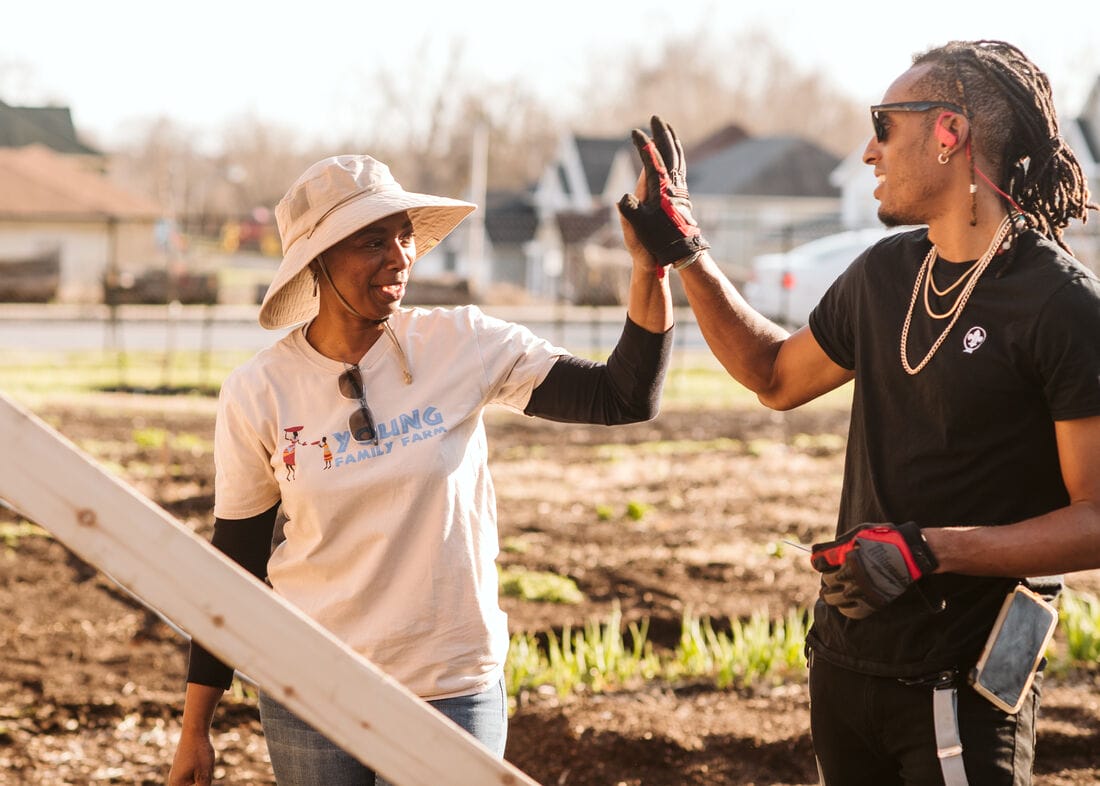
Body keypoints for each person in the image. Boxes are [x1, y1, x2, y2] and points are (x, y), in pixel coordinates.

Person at [617, 40, 1100, 785]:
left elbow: (1094, 518)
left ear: (949, 133)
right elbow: (773, 376)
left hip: (963, 686)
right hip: (844, 668)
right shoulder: (884, 275)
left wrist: (929, 550)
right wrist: (688, 253)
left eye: (884, 125)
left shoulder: (1060, 305)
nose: (869, 151)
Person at [168, 153, 674, 786]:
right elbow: (234, 565)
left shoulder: (461, 343)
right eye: (372, 241)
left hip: (451, 684)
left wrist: (648, 265)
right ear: (317, 262)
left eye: (404, 235)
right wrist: (195, 730)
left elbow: (622, 397)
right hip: (310, 690)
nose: (400, 256)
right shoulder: (261, 391)